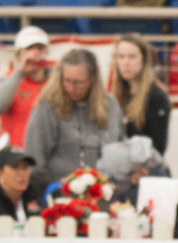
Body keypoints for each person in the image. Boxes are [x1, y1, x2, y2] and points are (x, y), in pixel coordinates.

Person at [25, 49, 125, 187]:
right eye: (66, 81)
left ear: (93, 80)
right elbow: (34, 158)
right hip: (58, 190)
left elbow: (120, 148)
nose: (71, 88)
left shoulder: (111, 105)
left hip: (102, 191)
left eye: (78, 83)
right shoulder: (47, 107)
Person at [0, 26, 51, 148]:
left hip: (48, 152)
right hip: (17, 155)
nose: (35, 53)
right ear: (18, 54)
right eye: (29, 48)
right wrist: (19, 73)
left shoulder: (55, 80)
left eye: (40, 48)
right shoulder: (7, 79)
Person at [111, 34, 172, 155]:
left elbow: (158, 147)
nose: (125, 62)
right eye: (121, 57)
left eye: (132, 57)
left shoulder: (157, 97)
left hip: (145, 168)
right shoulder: (114, 97)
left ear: (144, 60)